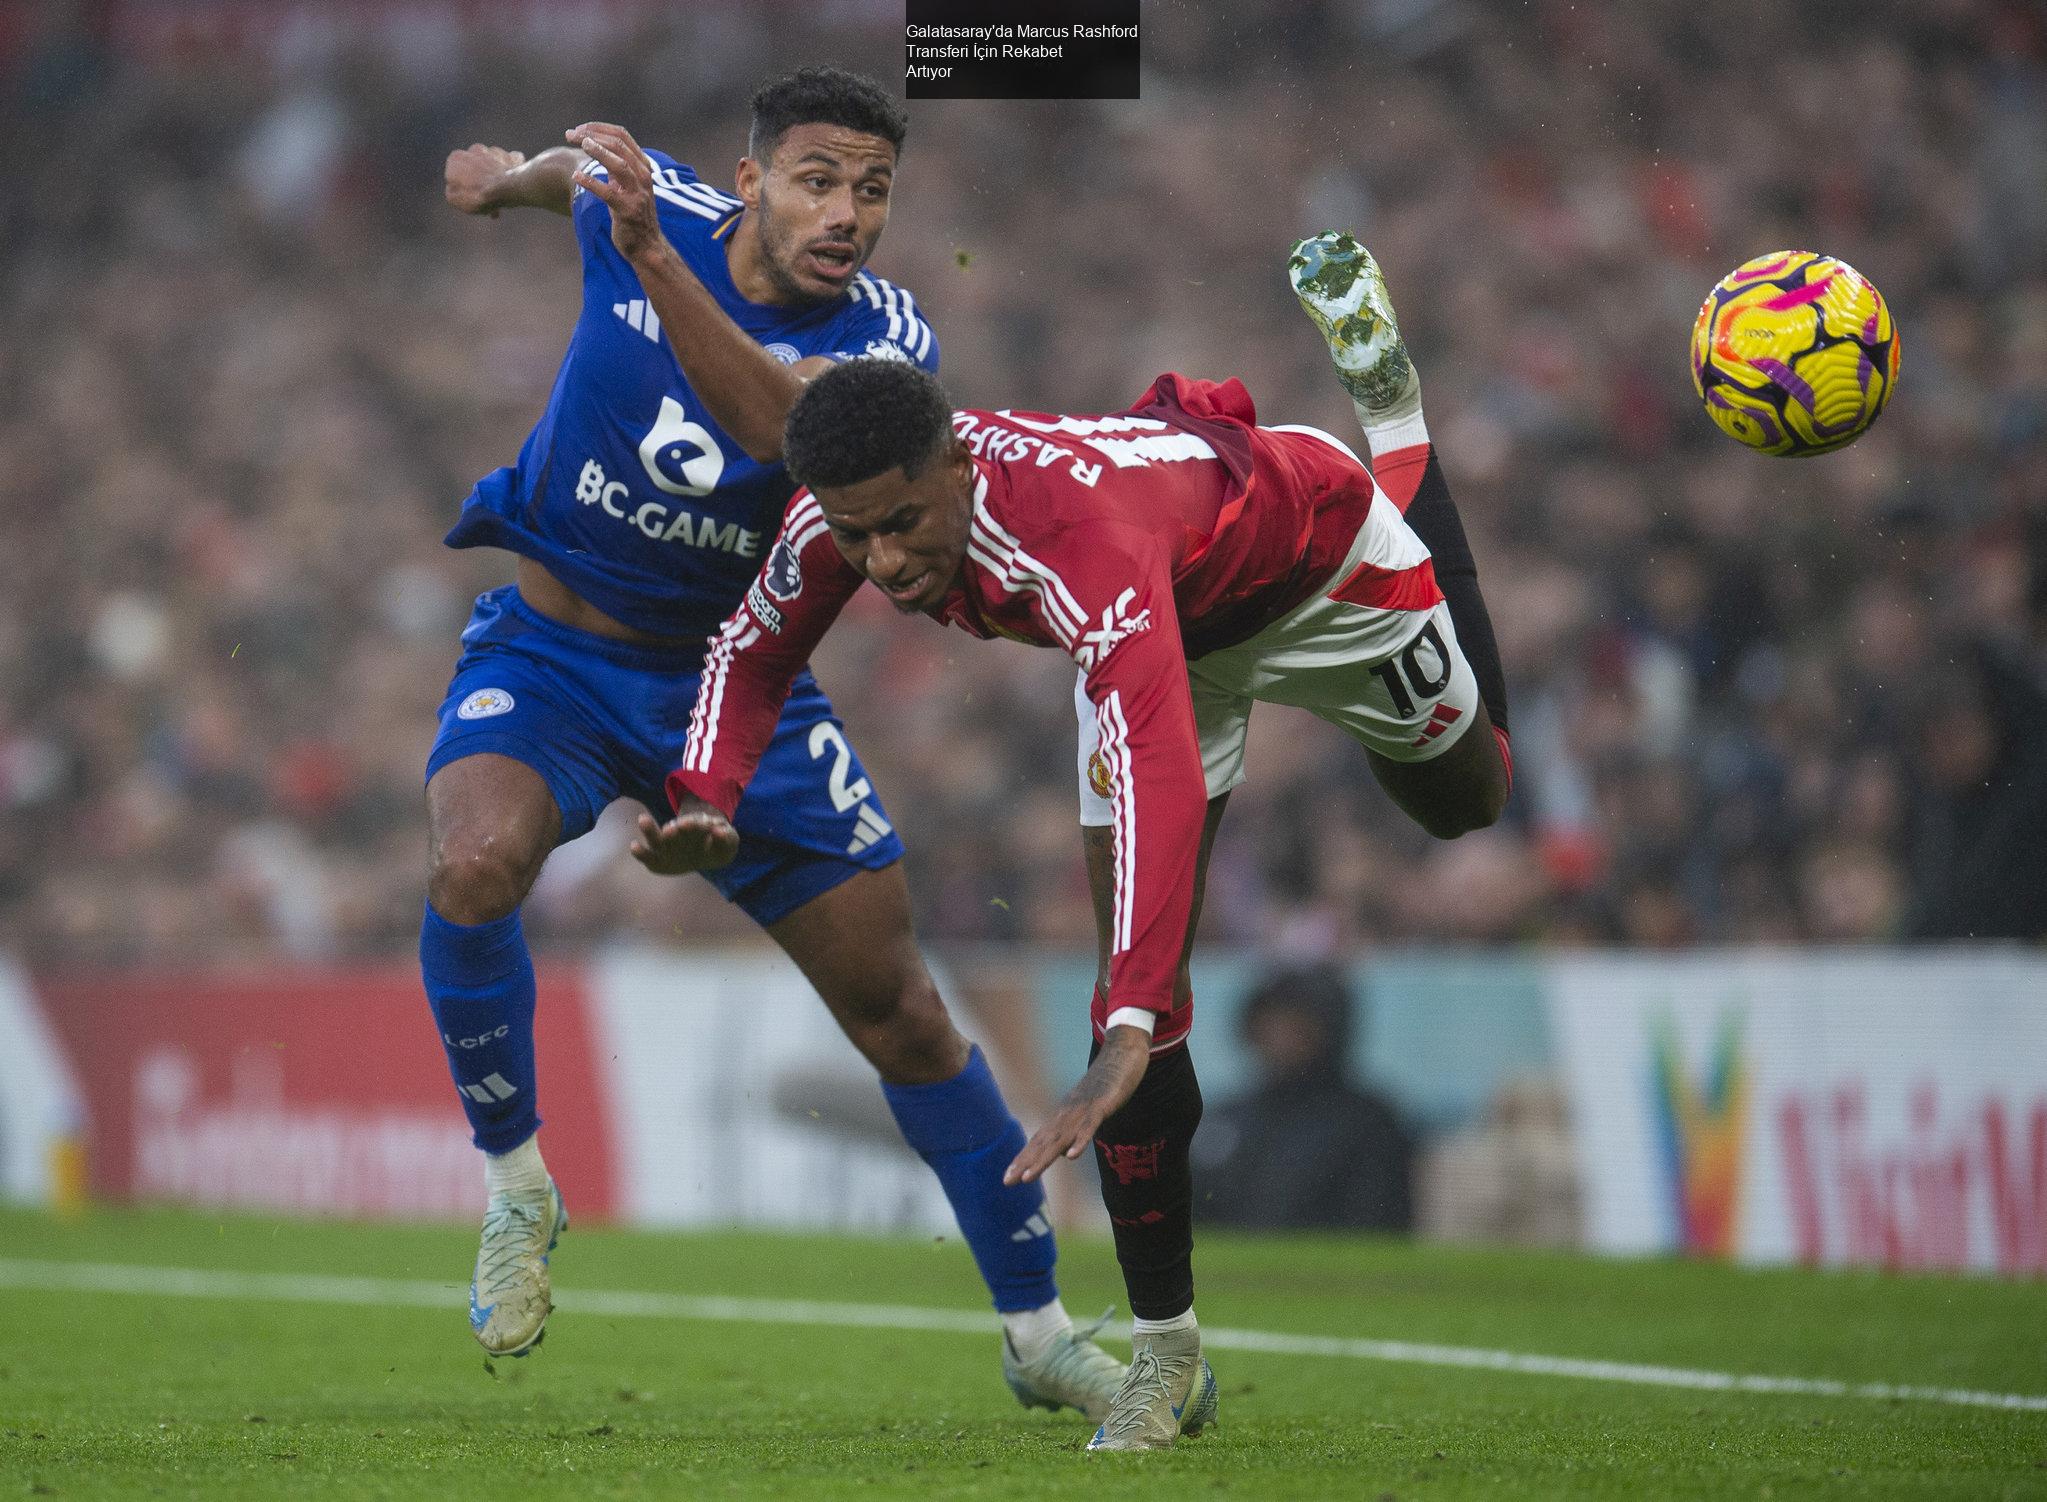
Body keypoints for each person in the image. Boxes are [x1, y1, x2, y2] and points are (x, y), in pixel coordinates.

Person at [636, 231, 1514, 1450]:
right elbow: (752, 646)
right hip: (1165, 632)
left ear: (955, 463)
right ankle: (1166, 1356)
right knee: (1134, 996)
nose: (882, 566)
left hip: (1322, 567)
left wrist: (1129, 1023)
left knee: (1464, 803)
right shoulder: (849, 508)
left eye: (899, 526)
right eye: (856, 537)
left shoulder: (1074, 543)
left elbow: (1151, 761)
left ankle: (1395, 414)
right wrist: (705, 793)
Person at [423, 67, 1124, 1422]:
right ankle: (515, 1184)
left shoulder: (889, 335)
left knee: (901, 1011)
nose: (847, 211)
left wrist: (636, 248)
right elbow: (573, 177)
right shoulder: (650, 208)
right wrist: (501, 178)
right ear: (747, 182)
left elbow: (787, 428)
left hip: (739, 685)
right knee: (472, 861)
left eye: (872, 188)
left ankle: (1036, 1332)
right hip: (553, 657)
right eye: (818, 178)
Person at [1191, 963, 1415, 1232]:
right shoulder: (1223, 1119)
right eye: (1270, 1020)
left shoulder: (1369, 1123)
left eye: (1296, 1023)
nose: (1279, 1034)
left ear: (1329, 1029)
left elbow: (1378, 1228)